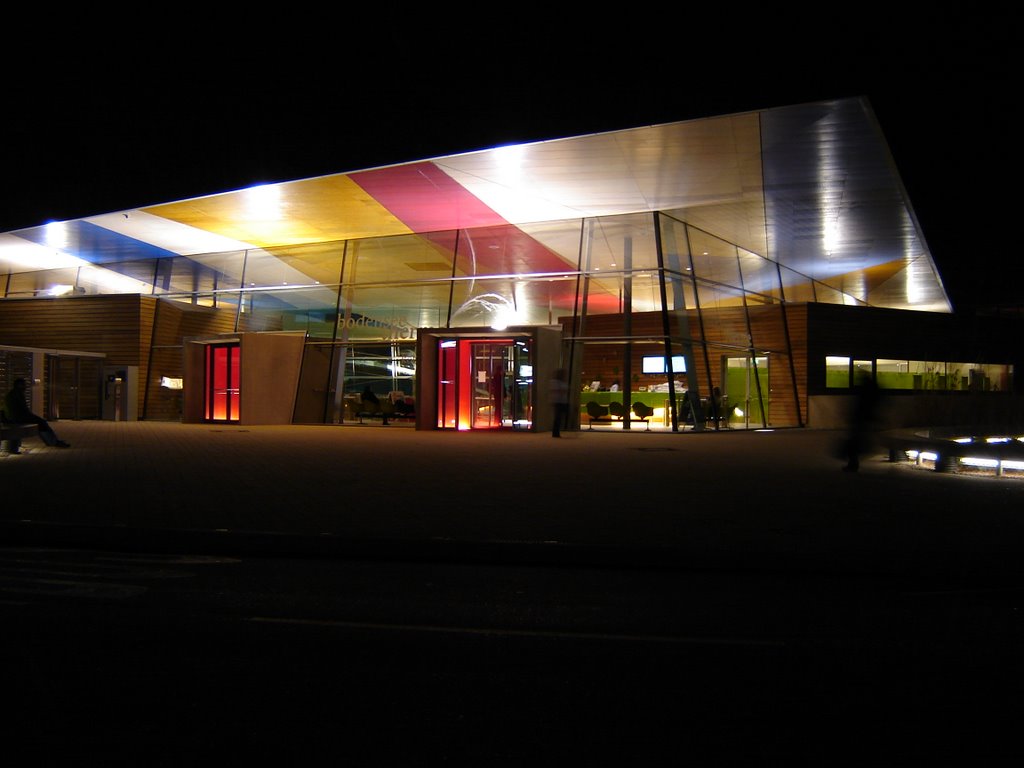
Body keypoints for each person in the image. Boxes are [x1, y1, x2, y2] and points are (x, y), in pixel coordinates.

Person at [1, 378, 71, 453]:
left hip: (14, 417)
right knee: (42, 423)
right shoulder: (17, 395)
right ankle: (53, 441)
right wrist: (31, 416)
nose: (26, 386)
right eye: (24, 384)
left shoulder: (13, 394)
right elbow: (22, 410)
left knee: (41, 422)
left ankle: (52, 441)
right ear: (19, 385)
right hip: (17, 418)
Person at [550, 369, 569, 437]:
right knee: (558, 417)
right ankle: (555, 432)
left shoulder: (562, 382)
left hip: (562, 401)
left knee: (559, 417)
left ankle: (557, 432)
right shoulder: (555, 382)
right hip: (558, 401)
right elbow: (557, 390)